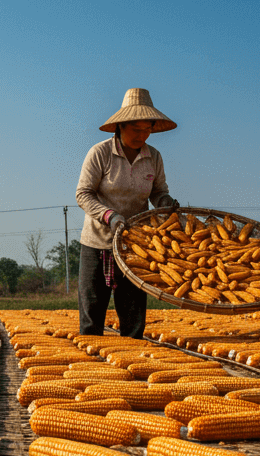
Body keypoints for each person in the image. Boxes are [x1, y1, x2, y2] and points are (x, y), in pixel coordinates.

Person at [74, 88, 180, 340]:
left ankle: (133, 355)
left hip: (135, 245)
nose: (141, 135)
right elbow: (83, 194)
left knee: (133, 316)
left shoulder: (153, 157)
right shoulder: (100, 153)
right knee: (92, 312)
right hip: (98, 241)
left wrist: (165, 202)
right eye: (135, 129)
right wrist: (109, 216)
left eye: (147, 130)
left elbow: (158, 192)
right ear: (120, 127)